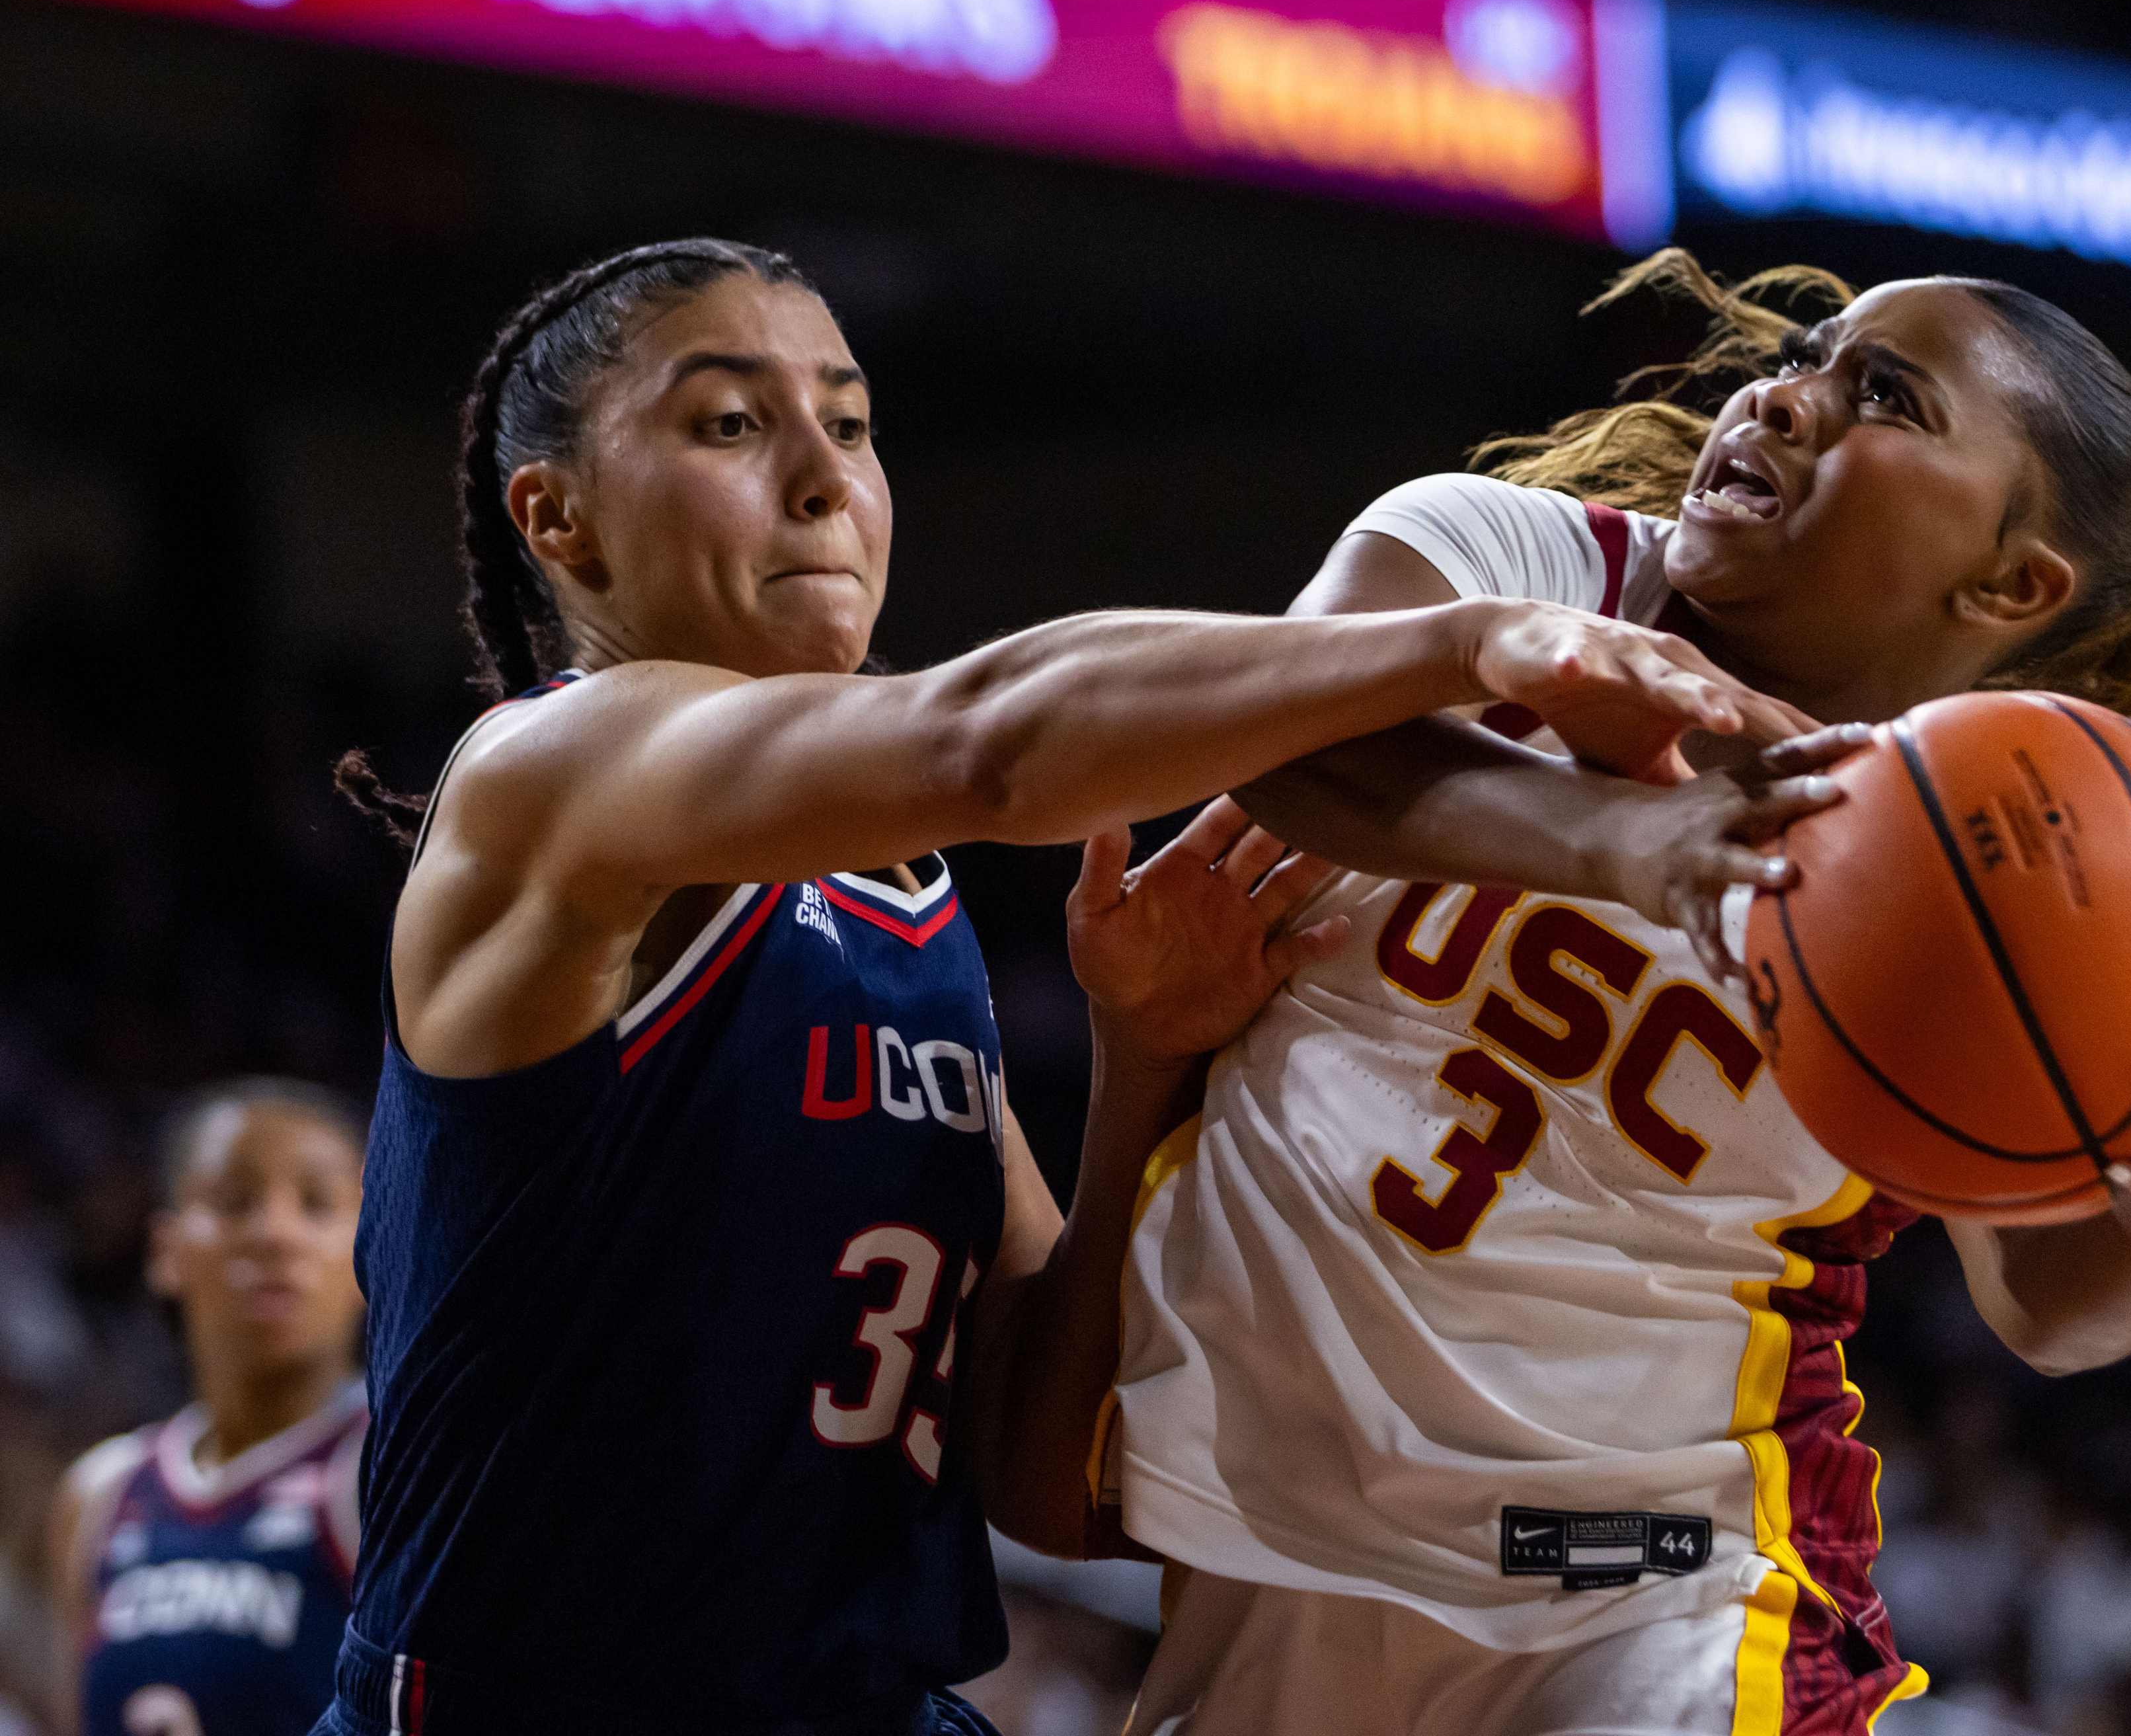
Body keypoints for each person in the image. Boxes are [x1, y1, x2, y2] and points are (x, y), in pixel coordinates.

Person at [317, 237, 1791, 1736]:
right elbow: (991, 743)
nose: (825, 478)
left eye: (851, 422)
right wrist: (1474, 641)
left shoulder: (894, 898)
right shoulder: (541, 778)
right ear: (555, 516)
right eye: (731, 423)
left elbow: (1051, 1478)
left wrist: (1137, 1062)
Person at [1043, 252, 2131, 1733]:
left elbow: (2045, 1307)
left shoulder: (2013, 868)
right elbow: (1279, 732)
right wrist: (1643, 840)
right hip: (1274, 1566)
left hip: (1654, 1585)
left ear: (2012, 580)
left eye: (1881, 395)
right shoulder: (1516, 561)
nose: (1784, 391)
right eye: (1811, 354)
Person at [47, 1079, 369, 1736]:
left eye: (316, 1204)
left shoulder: (392, 1464)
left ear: (370, 1248)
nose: (277, 1233)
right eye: (234, 1201)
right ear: (166, 1252)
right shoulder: (100, 1491)